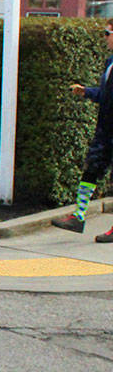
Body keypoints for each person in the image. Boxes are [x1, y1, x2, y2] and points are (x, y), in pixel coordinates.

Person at [52, 18, 113, 240]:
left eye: (107, 33)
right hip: (105, 130)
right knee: (92, 169)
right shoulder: (110, 63)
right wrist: (86, 91)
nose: (105, 38)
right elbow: (107, 96)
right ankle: (79, 217)